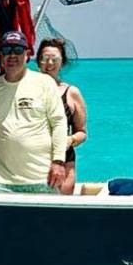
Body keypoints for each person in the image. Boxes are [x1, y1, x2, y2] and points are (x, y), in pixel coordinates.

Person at [0, 29, 67, 193]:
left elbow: (59, 123)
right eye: (6, 50)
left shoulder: (45, 83)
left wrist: (59, 161)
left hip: (43, 179)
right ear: (0, 56)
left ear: (27, 55)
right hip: (1, 183)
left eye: (18, 50)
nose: (12, 55)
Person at [36, 37, 88, 194]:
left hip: (64, 161)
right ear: (38, 61)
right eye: (45, 59)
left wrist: (70, 140)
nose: (49, 64)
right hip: (34, 159)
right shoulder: (27, 89)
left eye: (55, 59)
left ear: (62, 62)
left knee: (60, 208)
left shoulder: (71, 93)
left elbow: (82, 133)